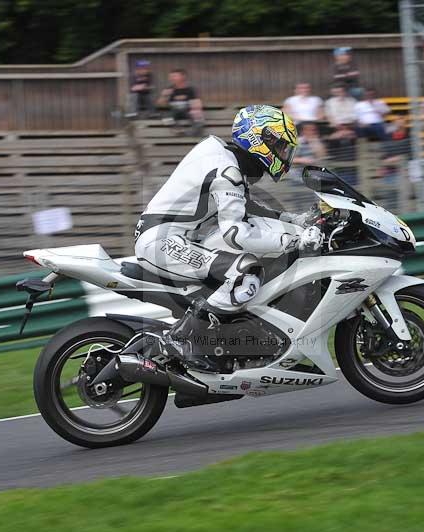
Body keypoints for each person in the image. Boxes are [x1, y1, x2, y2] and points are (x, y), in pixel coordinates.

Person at [134, 105, 322, 371]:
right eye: (281, 147)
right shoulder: (227, 171)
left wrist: (295, 222)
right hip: (162, 241)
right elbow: (236, 234)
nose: (284, 155)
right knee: (246, 272)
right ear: (260, 140)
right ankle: (183, 340)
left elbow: (248, 208)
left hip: (180, 235)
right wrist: (294, 240)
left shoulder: (225, 159)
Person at [157, 68, 204, 136]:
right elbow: (159, 104)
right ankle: (177, 129)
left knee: (198, 116)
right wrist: (164, 96)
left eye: (175, 76)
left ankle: (190, 132)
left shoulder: (190, 89)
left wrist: (195, 107)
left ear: (183, 77)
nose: (172, 78)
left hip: (187, 110)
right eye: (171, 77)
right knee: (165, 115)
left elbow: (198, 103)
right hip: (174, 111)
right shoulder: (168, 89)